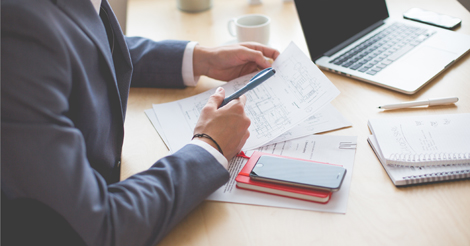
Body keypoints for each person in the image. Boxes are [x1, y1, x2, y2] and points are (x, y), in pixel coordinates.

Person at [1, 0, 280, 245]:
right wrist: (210, 147)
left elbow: (82, 44)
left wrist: (199, 59)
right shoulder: (18, 27)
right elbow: (100, 227)